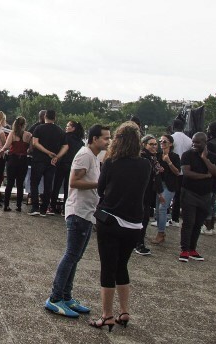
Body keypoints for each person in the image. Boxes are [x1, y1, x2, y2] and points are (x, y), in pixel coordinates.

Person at [44, 124, 111, 318]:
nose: (108, 141)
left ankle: (66, 296)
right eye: (105, 138)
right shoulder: (85, 155)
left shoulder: (94, 156)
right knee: (71, 255)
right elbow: (73, 182)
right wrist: (100, 184)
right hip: (78, 212)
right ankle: (55, 298)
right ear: (94, 139)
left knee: (75, 256)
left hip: (87, 212)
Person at [89, 122, 151, 331]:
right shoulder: (145, 165)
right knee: (122, 266)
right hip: (134, 223)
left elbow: (101, 188)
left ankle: (107, 315)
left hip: (111, 219)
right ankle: (124, 311)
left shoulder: (111, 162)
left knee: (108, 267)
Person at [177, 132, 216, 262]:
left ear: (205, 142)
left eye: (198, 142)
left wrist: (205, 159)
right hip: (189, 192)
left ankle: (192, 248)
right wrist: (206, 176)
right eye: (193, 142)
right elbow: (187, 173)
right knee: (188, 222)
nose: (194, 144)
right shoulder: (187, 155)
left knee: (198, 223)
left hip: (205, 195)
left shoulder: (213, 157)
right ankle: (184, 249)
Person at [30, 110, 67, 216]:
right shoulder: (60, 131)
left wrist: (47, 152)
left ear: (45, 116)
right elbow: (66, 146)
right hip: (52, 162)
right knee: (48, 185)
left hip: (39, 160)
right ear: (55, 118)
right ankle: (44, 209)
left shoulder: (39, 128)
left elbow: (35, 143)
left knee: (34, 183)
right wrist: (57, 156)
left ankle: (35, 207)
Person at [133, 135, 163, 256]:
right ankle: (138, 243)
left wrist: (160, 192)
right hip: (140, 192)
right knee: (142, 217)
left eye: (155, 144)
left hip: (148, 192)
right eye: (151, 144)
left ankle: (138, 242)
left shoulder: (153, 158)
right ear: (144, 145)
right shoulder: (142, 157)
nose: (154, 146)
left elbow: (157, 176)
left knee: (144, 218)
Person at [151, 134, 180, 245]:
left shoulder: (174, 156)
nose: (162, 143)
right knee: (157, 211)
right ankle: (161, 233)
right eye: (161, 141)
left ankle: (160, 233)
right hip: (159, 185)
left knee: (163, 208)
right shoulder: (157, 155)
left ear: (171, 144)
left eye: (165, 142)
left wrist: (168, 162)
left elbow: (177, 172)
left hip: (169, 186)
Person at [54, 121, 85, 213]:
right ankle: (65, 208)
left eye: (68, 126)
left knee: (56, 185)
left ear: (73, 128)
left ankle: (52, 206)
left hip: (62, 163)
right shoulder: (80, 142)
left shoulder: (65, 137)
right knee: (68, 188)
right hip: (73, 166)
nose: (66, 128)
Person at [1, 116, 30, 212]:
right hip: (23, 161)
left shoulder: (12, 134)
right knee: (20, 184)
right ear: (24, 124)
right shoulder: (28, 135)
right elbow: (31, 149)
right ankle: (19, 206)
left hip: (13, 160)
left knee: (9, 183)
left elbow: (6, 146)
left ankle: (6, 205)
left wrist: (0, 152)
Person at [168, 117, 192, 224]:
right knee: (178, 196)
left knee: (168, 193)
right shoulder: (189, 140)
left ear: (173, 127)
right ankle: (175, 219)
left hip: (171, 169)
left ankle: (167, 216)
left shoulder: (171, 138)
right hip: (184, 171)